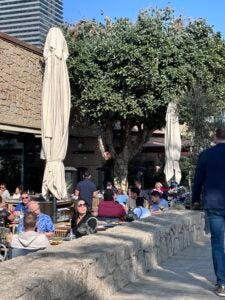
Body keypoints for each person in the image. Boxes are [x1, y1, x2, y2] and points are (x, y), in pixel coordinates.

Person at [192, 126, 225, 297]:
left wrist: (195, 199)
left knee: (218, 243)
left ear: (215, 137)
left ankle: (222, 283)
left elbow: (198, 180)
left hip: (214, 204)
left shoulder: (206, 154)